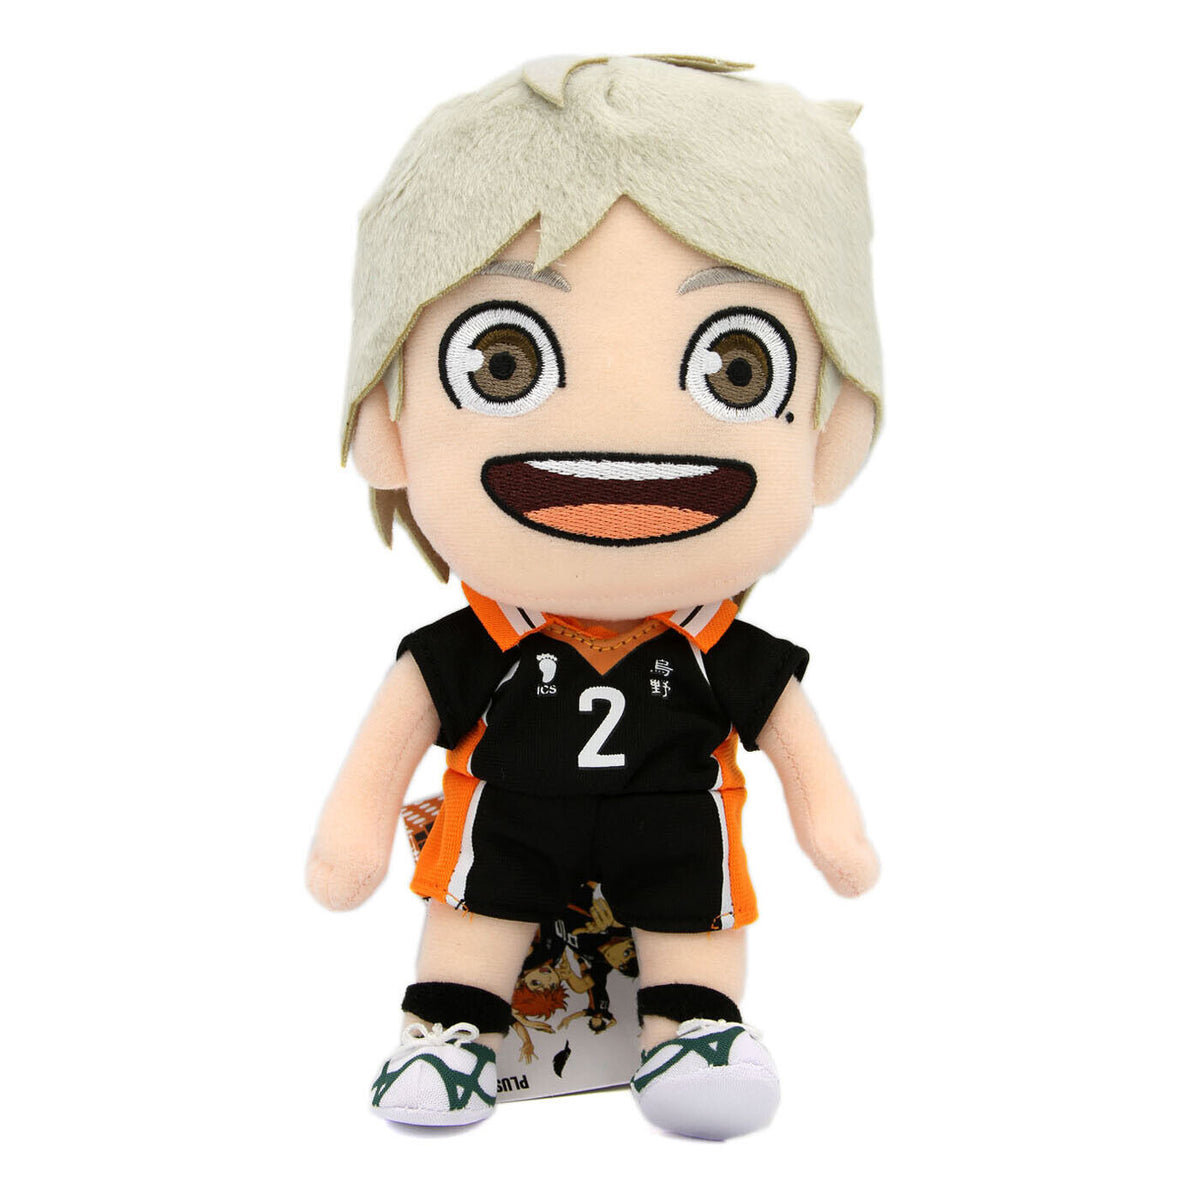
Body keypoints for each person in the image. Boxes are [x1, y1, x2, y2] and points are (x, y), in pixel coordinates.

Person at [308, 53, 883, 1140]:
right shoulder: (475, 640)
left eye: (738, 368)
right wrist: (353, 841)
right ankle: (449, 1029)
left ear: (831, 434)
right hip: (502, 829)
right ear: (391, 423)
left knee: (693, 908)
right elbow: (386, 751)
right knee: (476, 906)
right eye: (504, 360)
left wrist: (836, 832)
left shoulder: (721, 645)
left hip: (679, 834)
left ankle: (695, 1028)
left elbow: (802, 756)